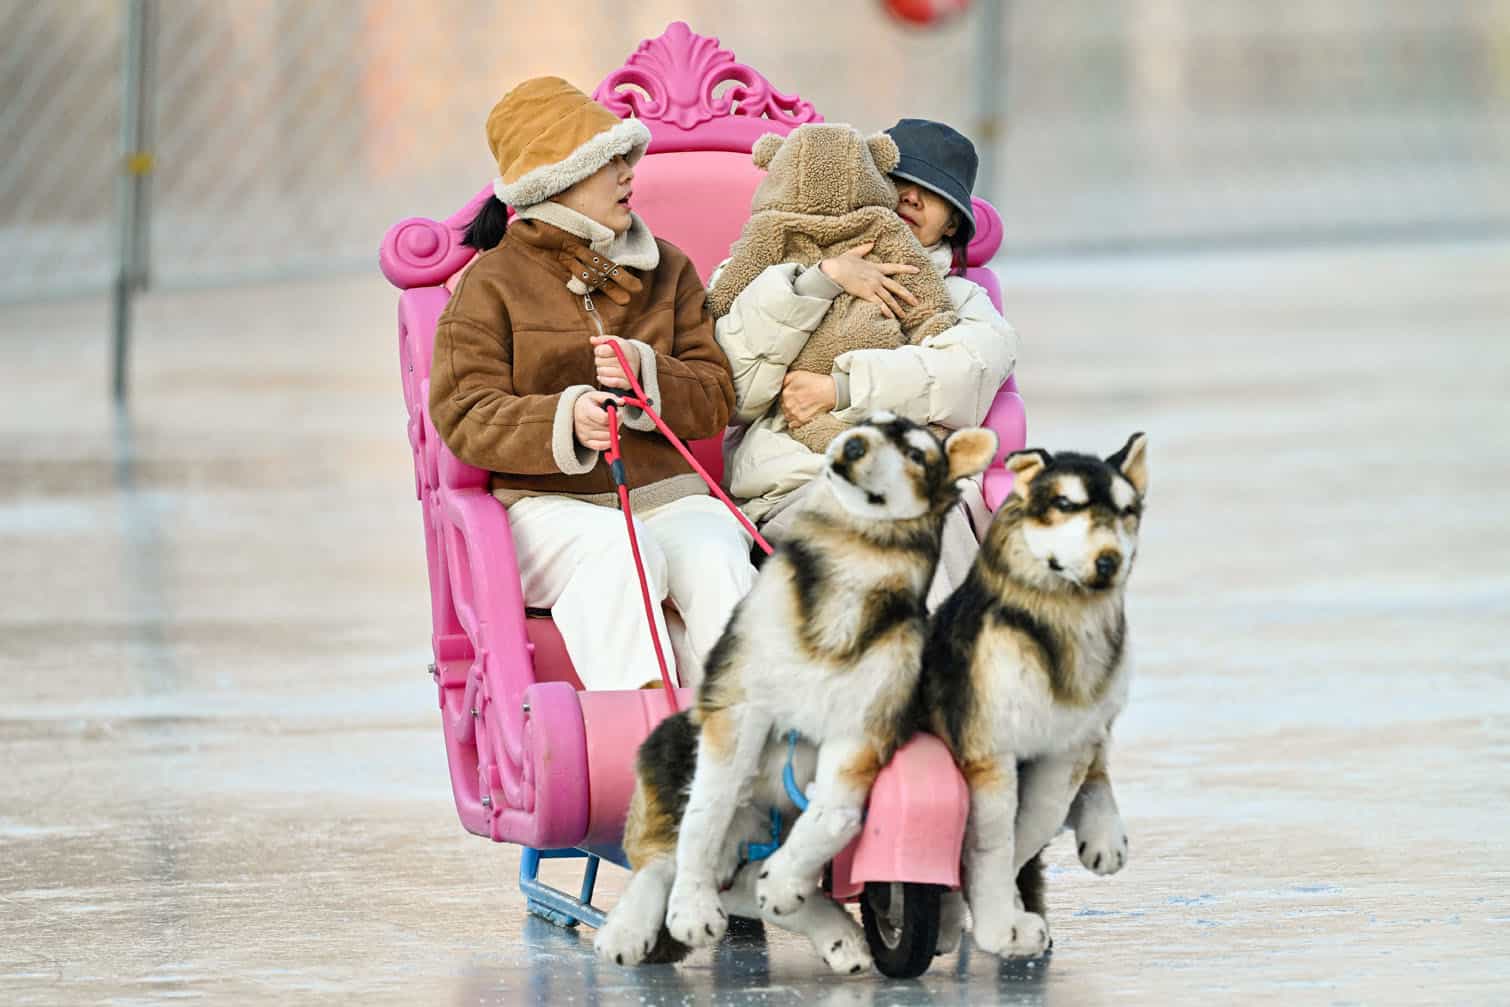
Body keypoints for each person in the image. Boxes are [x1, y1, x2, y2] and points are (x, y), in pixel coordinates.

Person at [430, 77, 755, 691]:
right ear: (558, 179)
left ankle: (754, 724)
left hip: (669, 495)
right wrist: (566, 418)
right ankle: (649, 727)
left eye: (627, 156)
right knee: (619, 550)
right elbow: (464, 411)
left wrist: (648, 376)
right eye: (609, 161)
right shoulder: (491, 283)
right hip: (544, 510)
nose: (629, 173)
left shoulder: (669, 268)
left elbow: (715, 397)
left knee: (715, 551)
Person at [715, 118, 1020, 607]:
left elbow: (966, 377)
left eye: (932, 192)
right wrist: (821, 280)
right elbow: (731, 391)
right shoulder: (769, 269)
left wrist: (842, 388)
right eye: (900, 180)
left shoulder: (963, 300)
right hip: (799, 484)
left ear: (952, 224)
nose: (911, 198)